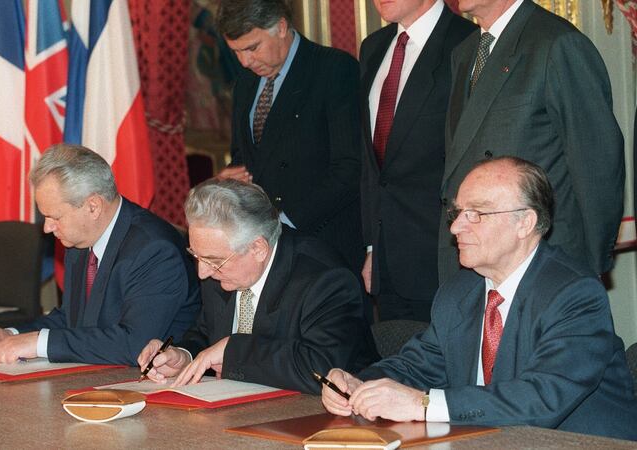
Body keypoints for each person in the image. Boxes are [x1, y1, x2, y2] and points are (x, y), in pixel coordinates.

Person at [321, 157, 637, 440]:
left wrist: (423, 404)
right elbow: (418, 367)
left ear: (524, 223)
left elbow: (542, 399)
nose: (456, 226)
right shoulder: (459, 292)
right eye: (457, 213)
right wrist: (359, 385)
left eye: (476, 214)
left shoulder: (573, 293)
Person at [438, 0, 624, 282]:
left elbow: (598, 166)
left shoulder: (558, 44)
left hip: (544, 261)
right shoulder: (465, 53)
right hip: (477, 261)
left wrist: (590, 266)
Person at [137, 179, 378, 394]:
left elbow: (321, 369)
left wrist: (234, 352)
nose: (203, 272)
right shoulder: (221, 269)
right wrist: (184, 355)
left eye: (213, 261)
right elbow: (206, 334)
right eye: (196, 256)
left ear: (258, 248)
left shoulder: (325, 279)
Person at [0, 144, 200, 365]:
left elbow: (134, 344)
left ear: (93, 206)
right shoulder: (80, 242)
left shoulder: (154, 249)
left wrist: (37, 343)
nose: (47, 228)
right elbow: (72, 320)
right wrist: (10, 335)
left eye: (55, 217)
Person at [215, 0, 364, 272]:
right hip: (266, 249)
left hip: (322, 245)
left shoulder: (333, 69)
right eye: (236, 51)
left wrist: (285, 221)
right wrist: (230, 179)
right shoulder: (245, 83)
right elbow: (245, 156)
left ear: (281, 27)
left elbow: (350, 166)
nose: (245, 61)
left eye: (252, 48)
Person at [359, 0, 475, 321]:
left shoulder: (468, 41)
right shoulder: (374, 47)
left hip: (445, 256)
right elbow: (372, 166)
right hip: (387, 264)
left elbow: (473, 158)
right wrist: (372, 248)